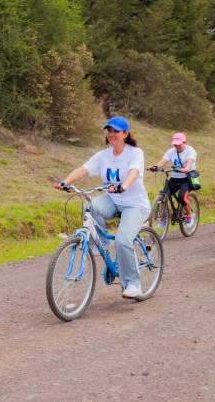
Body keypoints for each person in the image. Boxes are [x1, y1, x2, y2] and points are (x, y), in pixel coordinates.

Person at [55, 116, 151, 299]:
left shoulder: (135, 153)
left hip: (134, 204)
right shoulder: (103, 156)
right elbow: (84, 169)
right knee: (91, 208)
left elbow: (134, 173)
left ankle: (133, 284)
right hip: (113, 200)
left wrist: (124, 186)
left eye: (116, 131)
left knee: (123, 241)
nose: (111, 134)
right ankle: (102, 244)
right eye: (109, 131)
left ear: (125, 134)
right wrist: (65, 181)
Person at [151, 132, 198, 223]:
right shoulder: (171, 151)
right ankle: (163, 220)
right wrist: (156, 167)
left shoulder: (190, 151)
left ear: (185, 142)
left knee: (181, 197)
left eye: (179, 144)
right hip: (175, 177)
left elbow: (189, 163)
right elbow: (163, 161)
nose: (177, 146)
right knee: (164, 195)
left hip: (187, 178)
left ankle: (189, 216)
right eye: (175, 145)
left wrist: (185, 169)